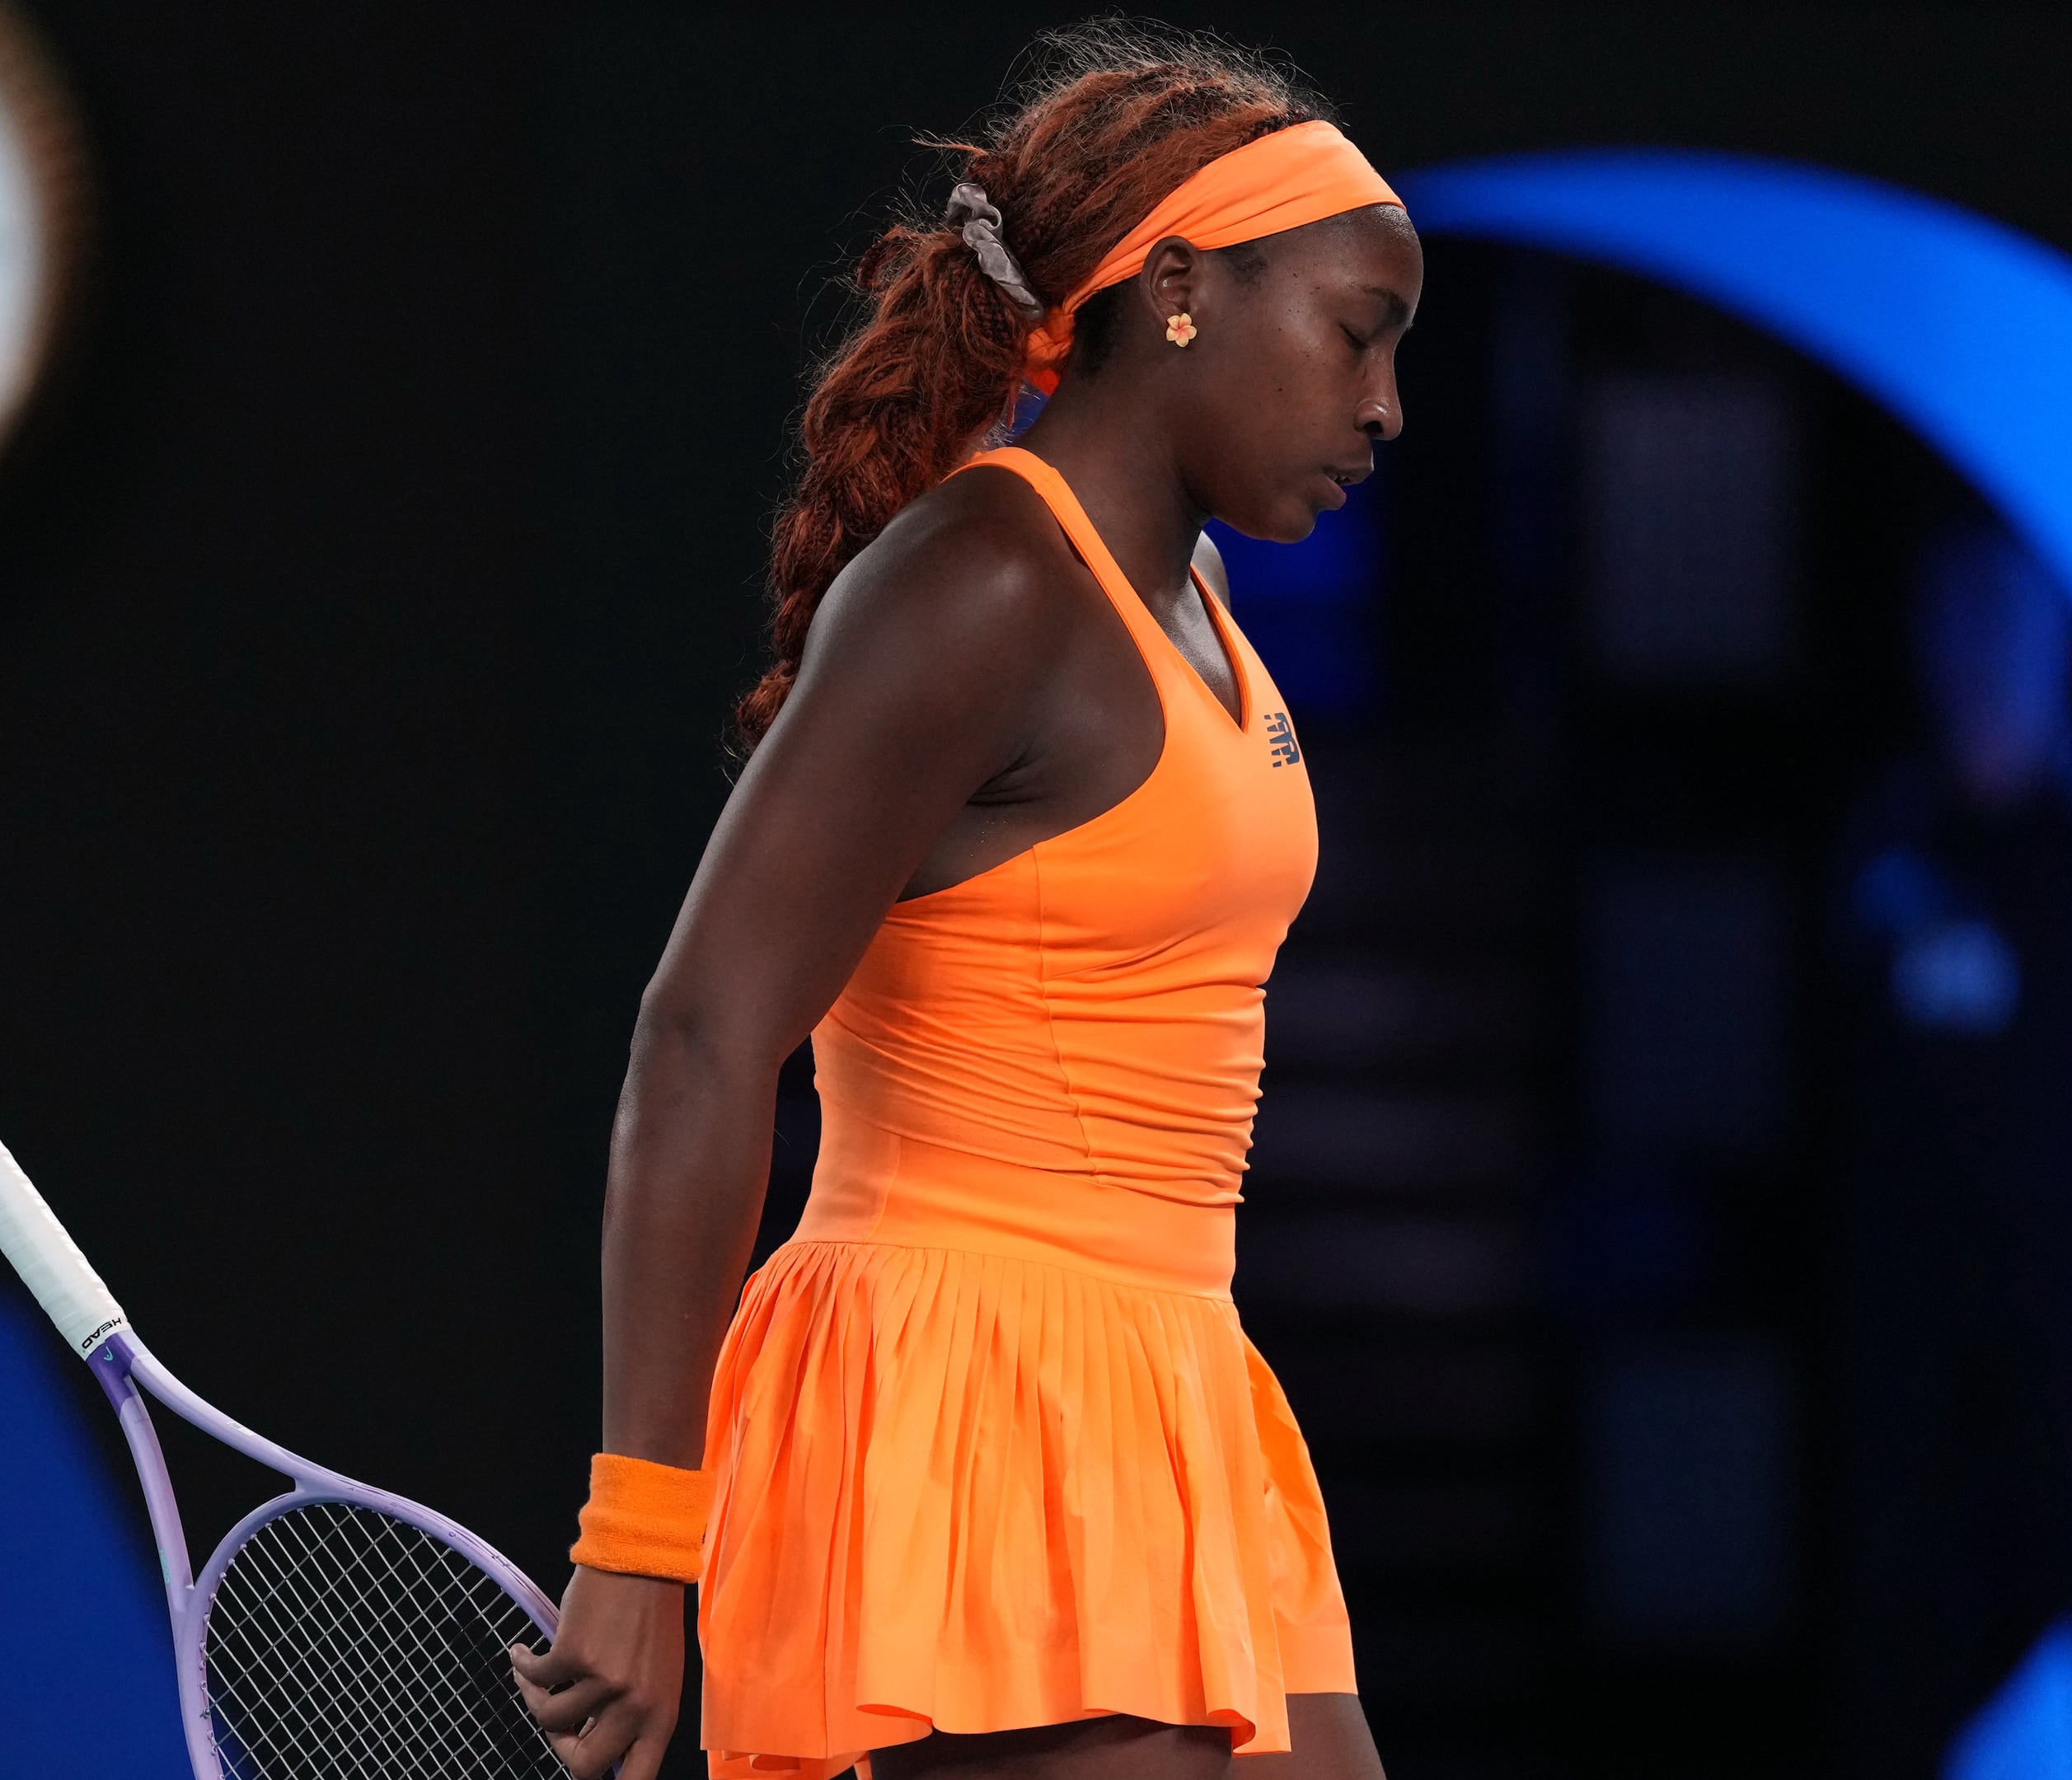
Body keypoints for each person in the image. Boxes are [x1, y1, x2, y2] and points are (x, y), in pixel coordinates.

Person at [513, 27, 1421, 1780]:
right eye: (1356, 334)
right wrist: (639, 1537)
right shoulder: (988, 576)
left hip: (1172, 1395)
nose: (1384, 406)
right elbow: (703, 1034)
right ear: (1176, 293)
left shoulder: (1198, 596)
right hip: (966, 1405)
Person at [1828, 520, 2072, 1780]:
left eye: (2012, 629)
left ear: (2058, 653)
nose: (1984, 661)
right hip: (1921, 1316)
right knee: (1893, 1619)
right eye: (1960, 627)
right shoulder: (1882, 845)